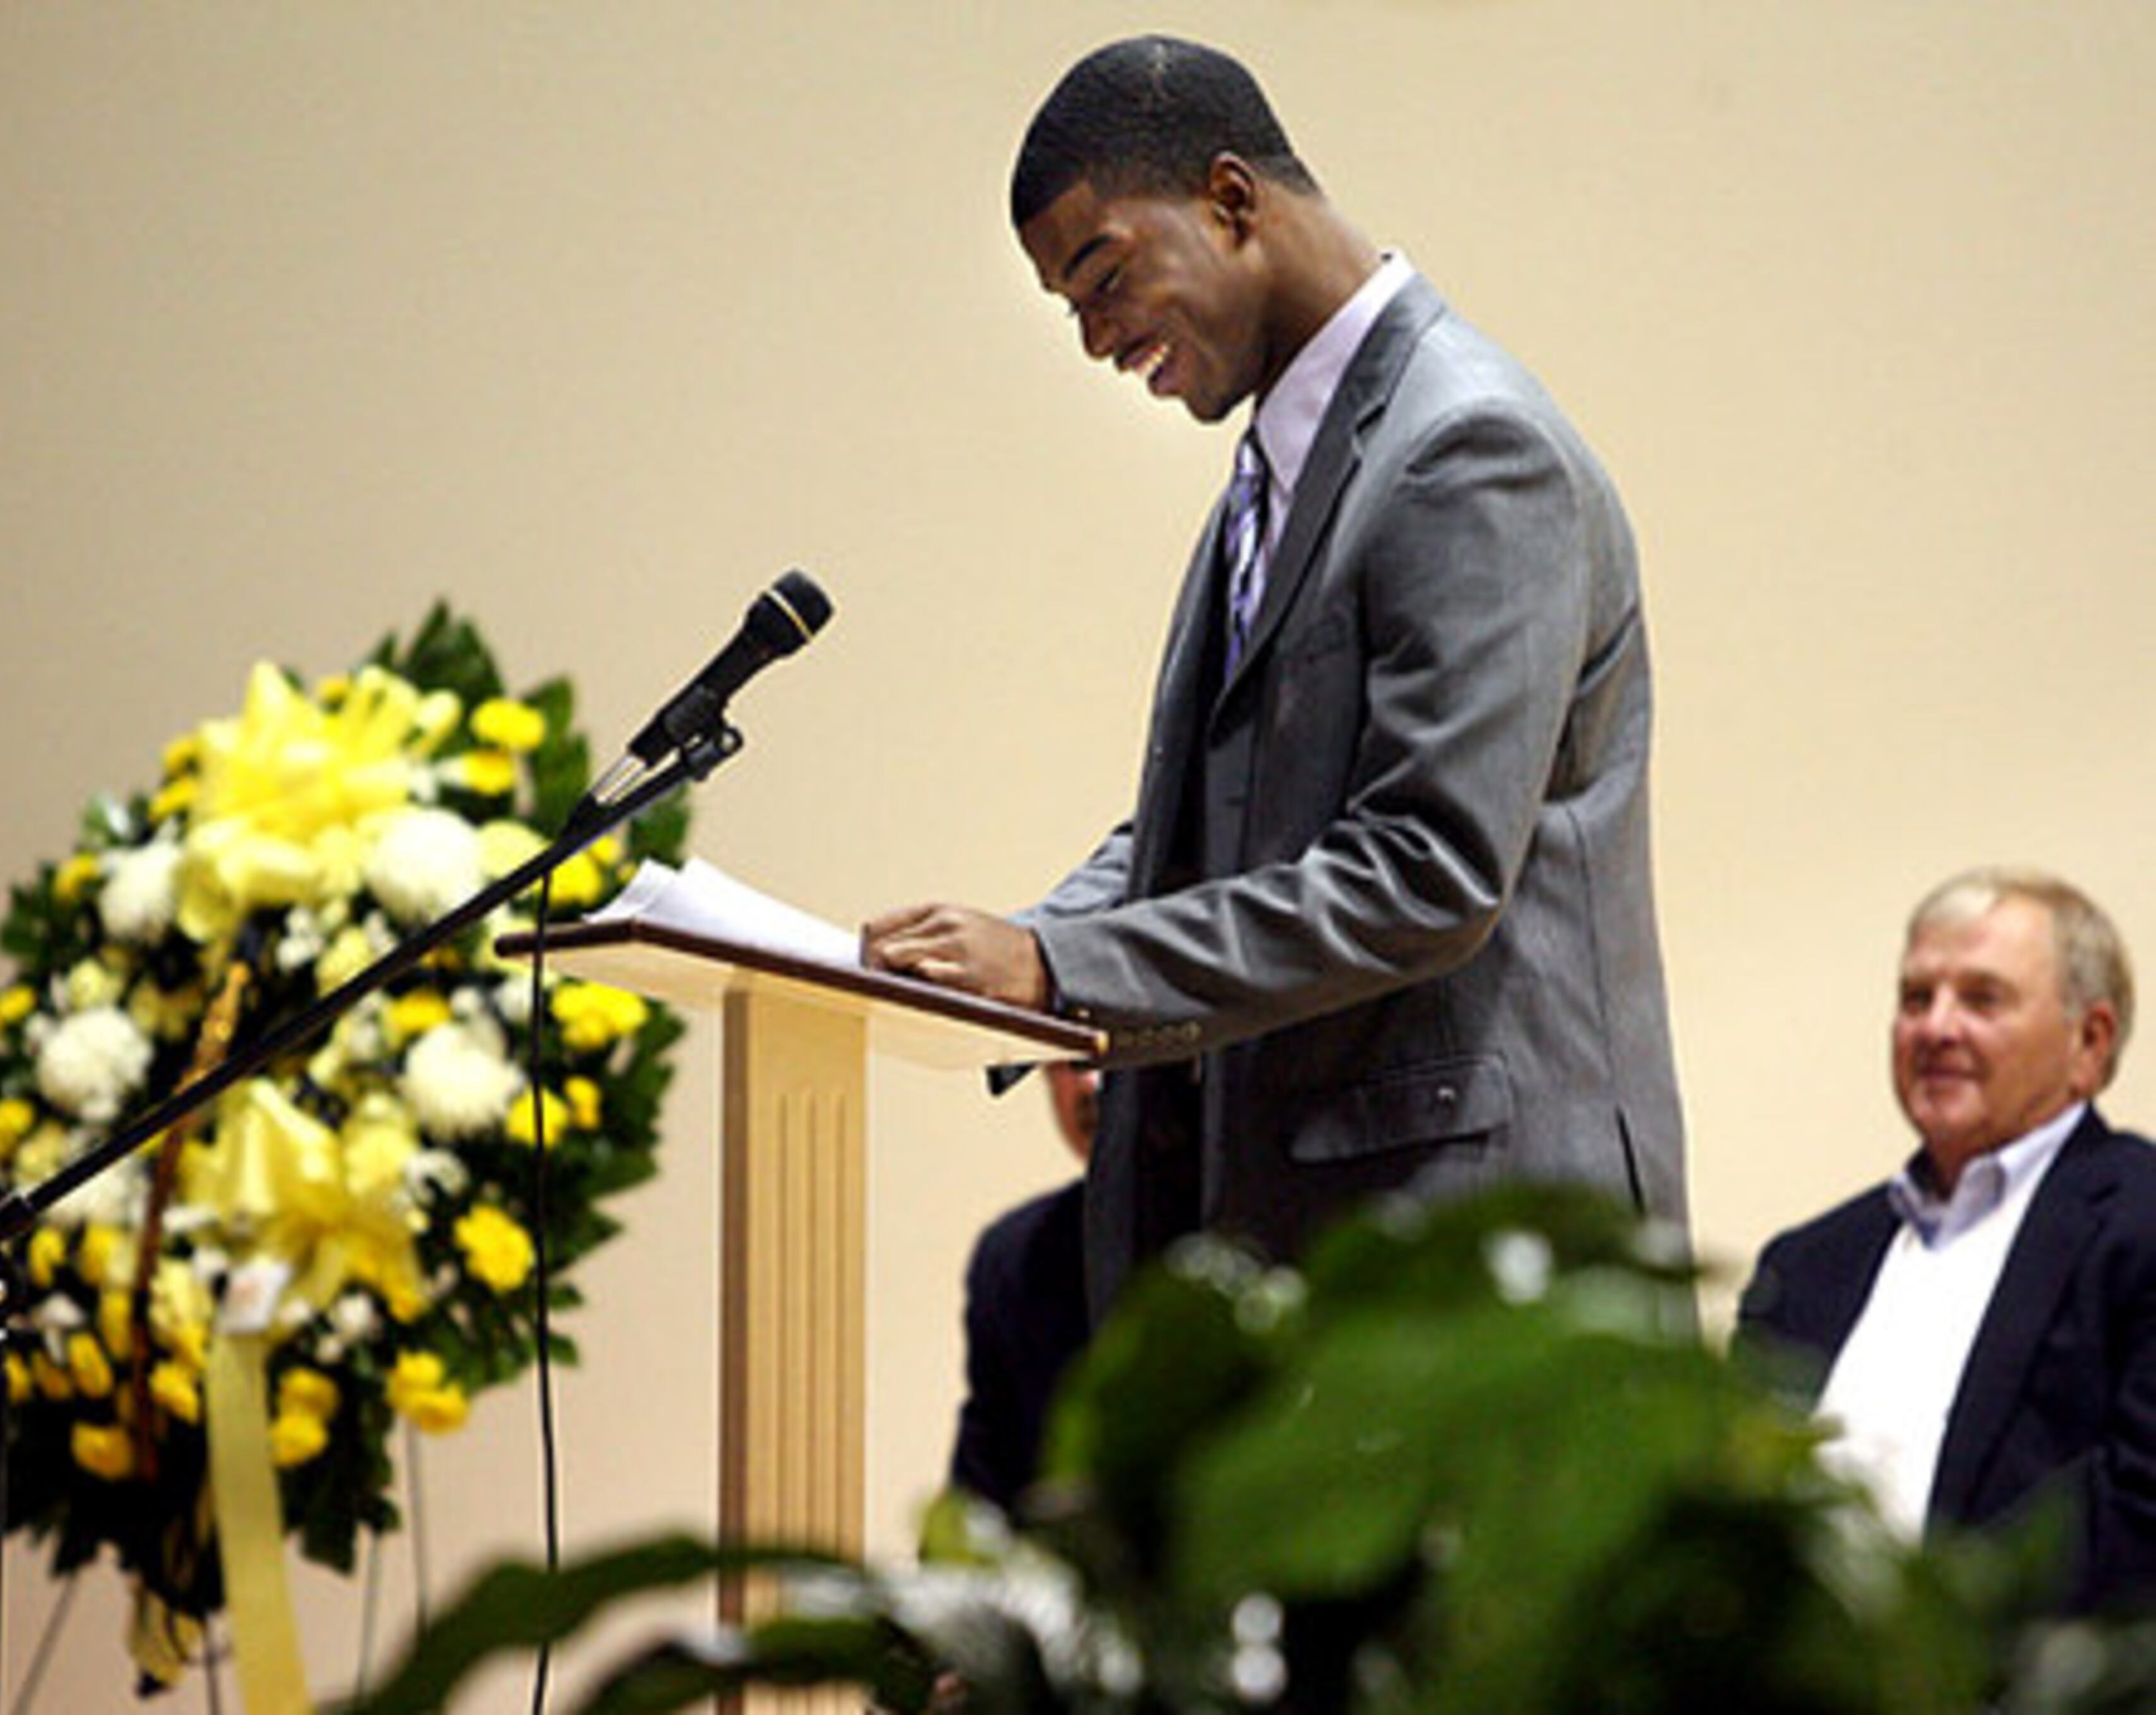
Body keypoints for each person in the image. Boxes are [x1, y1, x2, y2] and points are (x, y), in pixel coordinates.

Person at [862, 36, 1687, 1321]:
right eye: (1070, 308)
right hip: (1345, 1239)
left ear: (1230, 199)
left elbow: (1425, 870)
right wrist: (1009, 954)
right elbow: (1216, 818)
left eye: (1103, 277)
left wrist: (1062, 963)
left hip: (1489, 1257)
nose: (1094, 339)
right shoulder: (1286, 464)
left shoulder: (1468, 446)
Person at [1736, 867, 2155, 1611]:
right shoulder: (1803, 1267)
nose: (1936, 1028)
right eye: (1916, 998)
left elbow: (2140, 1508)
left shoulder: (2137, 1223)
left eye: (1982, 999)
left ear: (2089, 1043)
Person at [948, 1063, 1096, 1511]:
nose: (1088, 1084)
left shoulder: (1238, 1241)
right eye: (1067, 1061)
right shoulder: (1016, 1252)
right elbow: (983, 1489)